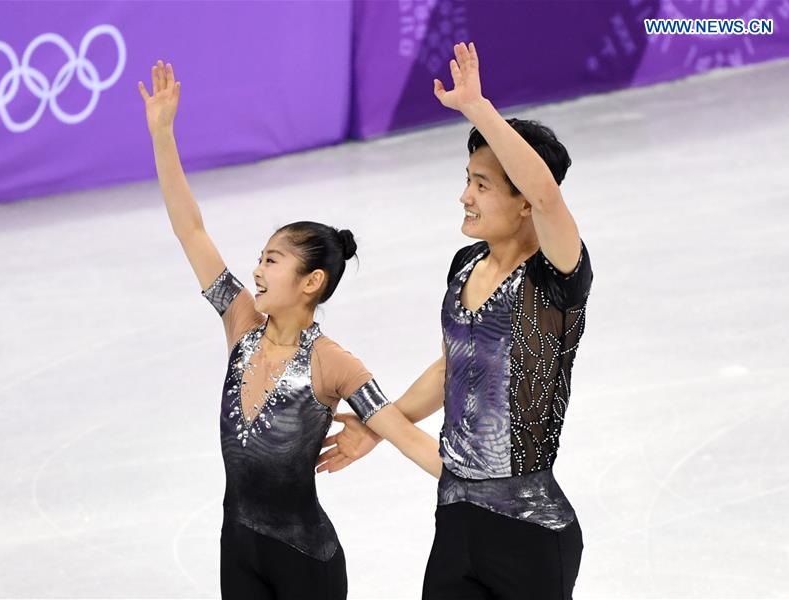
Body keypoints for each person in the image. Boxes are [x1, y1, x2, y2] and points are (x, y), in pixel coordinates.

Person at [138, 60, 442, 600]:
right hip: (238, 553)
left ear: (311, 281)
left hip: (306, 566)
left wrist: (488, 490)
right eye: (260, 258)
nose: (257, 270)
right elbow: (191, 230)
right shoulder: (242, 324)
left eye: (272, 260)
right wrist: (163, 136)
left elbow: (404, 435)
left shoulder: (332, 362)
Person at [317, 42, 593, 599]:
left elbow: (547, 195)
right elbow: (453, 367)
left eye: (482, 184)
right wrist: (377, 426)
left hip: (531, 533)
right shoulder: (465, 264)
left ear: (523, 201)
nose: (465, 196)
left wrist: (478, 109)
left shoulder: (556, 275)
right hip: (456, 521)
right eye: (468, 178)